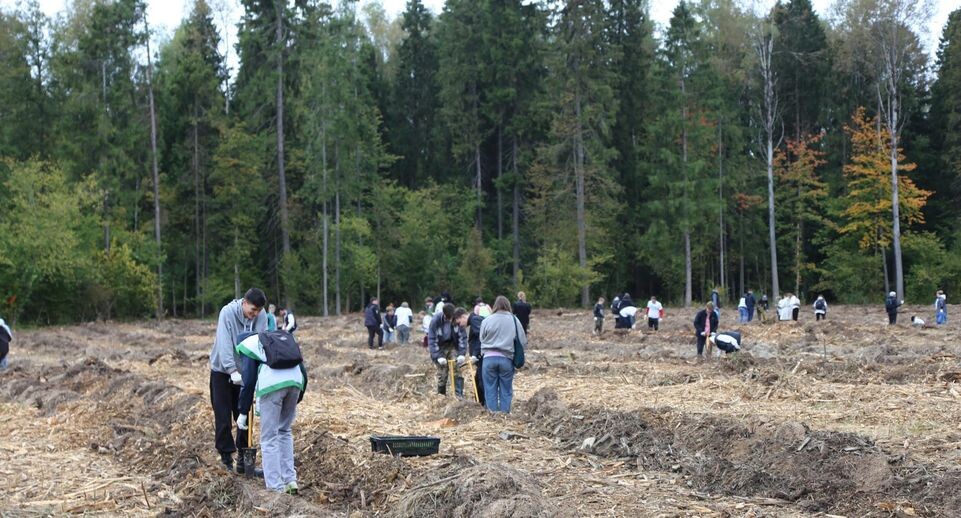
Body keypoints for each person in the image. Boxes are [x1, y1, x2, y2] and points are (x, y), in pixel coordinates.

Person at [235, 331, 307, 495]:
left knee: (269, 438)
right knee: (284, 430)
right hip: (296, 381)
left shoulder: (247, 346)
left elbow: (249, 381)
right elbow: (303, 370)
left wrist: (243, 411)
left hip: (272, 385)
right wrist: (297, 396)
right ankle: (290, 480)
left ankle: (275, 488)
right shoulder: (277, 341)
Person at [208, 287, 268, 473]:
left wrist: (259, 375)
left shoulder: (261, 315)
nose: (255, 314)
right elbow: (225, 343)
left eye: (258, 311)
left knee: (245, 415)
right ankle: (226, 458)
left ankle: (245, 461)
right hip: (222, 372)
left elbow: (261, 343)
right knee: (223, 415)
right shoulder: (227, 313)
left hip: (246, 373)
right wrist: (231, 370)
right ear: (244, 302)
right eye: (252, 310)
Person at [480, 296, 527, 413]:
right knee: (505, 389)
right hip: (506, 358)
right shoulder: (514, 320)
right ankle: (504, 415)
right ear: (508, 306)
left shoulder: (487, 320)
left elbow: (482, 338)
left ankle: (493, 414)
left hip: (488, 359)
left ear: (495, 305)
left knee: (490, 388)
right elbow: (523, 340)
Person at [427, 305, 469, 397]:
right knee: (442, 372)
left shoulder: (456, 320)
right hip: (440, 347)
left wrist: (461, 353)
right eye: (448, 318)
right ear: (444, 315)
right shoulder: (436, 321)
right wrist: (438, 356)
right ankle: (441, 395)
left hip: (452, 345)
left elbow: (462, 337)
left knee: (456, 368)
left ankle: (459, 395)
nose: (451, 320)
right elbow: (432, 339)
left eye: (452, 318)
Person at [466, 309, 486, 406]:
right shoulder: (474, 320)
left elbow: (480, 337)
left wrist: (475, 354)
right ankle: (480, 404)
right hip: (481, 357)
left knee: (482, 382)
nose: (460, 325)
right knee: (477, 380)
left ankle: (485, 405)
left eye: (458, 322)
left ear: (462, 317)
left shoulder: (474, 320)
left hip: (482, 356)